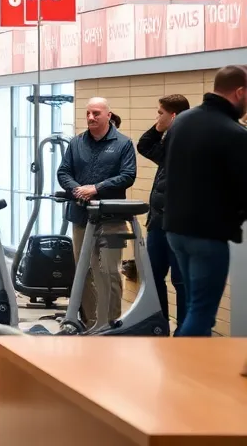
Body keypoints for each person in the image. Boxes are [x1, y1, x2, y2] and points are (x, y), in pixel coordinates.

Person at [164, 66, 247, 337]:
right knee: (201, 315)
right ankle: (184, 375)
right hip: (208, 237)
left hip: (176, 230)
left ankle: (186, 371)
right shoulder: (234, 133)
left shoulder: (183, 120)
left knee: (192, 308)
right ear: (240, 92)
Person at [56, 97, 137, 329]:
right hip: (81, 218)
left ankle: (110, 325)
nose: (91, 118)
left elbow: (128, 175)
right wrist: (76, 189)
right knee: (84, 272)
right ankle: (91, 323)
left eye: (96, 114)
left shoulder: (123, 144)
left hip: (112, 218)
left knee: (109, 272)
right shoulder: (76, 143)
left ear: (108, 115)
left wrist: (96, 188)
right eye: (88, 113)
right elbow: (63, 172)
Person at [137, 93, 190, 331]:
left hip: (180, 226)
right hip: (158, 222)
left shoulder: (190, 143)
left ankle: (185, 333)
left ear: (174, 115)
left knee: (181, 281)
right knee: (154, 277)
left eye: (160, 113)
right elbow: (144, 145)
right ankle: (159, 326)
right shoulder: (168, 141)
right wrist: (159, 127)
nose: (157, 117)